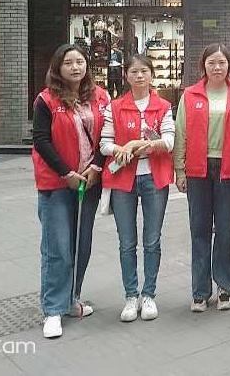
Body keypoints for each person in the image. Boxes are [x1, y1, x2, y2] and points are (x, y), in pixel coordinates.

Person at [32, 44, 110, 339]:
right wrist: (66, 173)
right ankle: (53, 309)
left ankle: (71, 300)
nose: (75, 67)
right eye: (68, 63)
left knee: (81, 246)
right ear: (58, 67)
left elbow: (107, 136)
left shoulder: (100, 96)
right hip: (57, 184)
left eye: (80, 61)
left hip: (88, 183)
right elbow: (41, 140)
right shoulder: (46, 100)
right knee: (58, 249)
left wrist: (96, 167)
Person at [174, 44, 230, 312]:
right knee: (199, 230)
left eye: (221, 62)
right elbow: (181, 133)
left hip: (229, 169)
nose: (217, 67)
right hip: (198, 169)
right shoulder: (190, 95)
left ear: (229, 65)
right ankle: (200, 291)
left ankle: (225, 287)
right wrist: (179, 169)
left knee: (226, 230)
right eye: (212, 63)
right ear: (203, 66)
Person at [100, 54, 175, 322]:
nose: (140, 76)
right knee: (126, 242)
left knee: (152, 240)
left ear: (151, 75)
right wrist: (119, 149)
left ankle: (149, 294)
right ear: (127, 76)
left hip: (154, 178)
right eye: (134, 72)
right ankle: (131, 296)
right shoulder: (115, 107)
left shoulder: (163, 106)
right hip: (123, 179)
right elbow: (104, 143)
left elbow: (169, 141)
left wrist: (137, 145)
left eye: (144, 71)